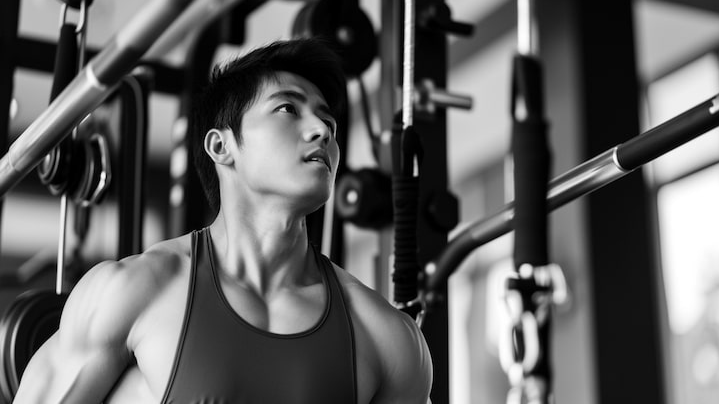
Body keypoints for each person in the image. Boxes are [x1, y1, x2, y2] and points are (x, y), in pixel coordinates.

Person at [14, 38, 433, 403]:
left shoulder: (385, 337)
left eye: (328, 121)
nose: (322, 131)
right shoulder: (134, 293)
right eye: (288, 108)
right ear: (221, 146)